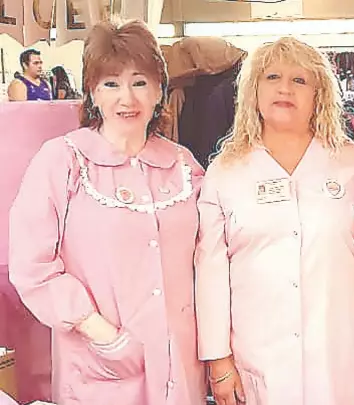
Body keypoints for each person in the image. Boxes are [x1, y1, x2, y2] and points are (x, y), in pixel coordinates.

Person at [8, 18, 206, 405]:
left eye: (140, 82)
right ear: (93, 93)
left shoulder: (183, 165)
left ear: (159, 90)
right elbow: (31, 265)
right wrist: (102, 334)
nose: (126, 98)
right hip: (99, 365)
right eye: (111, 84)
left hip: (182, 366)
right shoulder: (63, 161)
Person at [195, 37, 354, 405]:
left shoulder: (353, 164)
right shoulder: (225, 172)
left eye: (299, 80)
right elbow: (210, 271)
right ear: (253, 90)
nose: (285, 88)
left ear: (319, 94)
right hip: (258, 355)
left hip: (341, 350)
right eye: (272, 77)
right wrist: (218, 360)